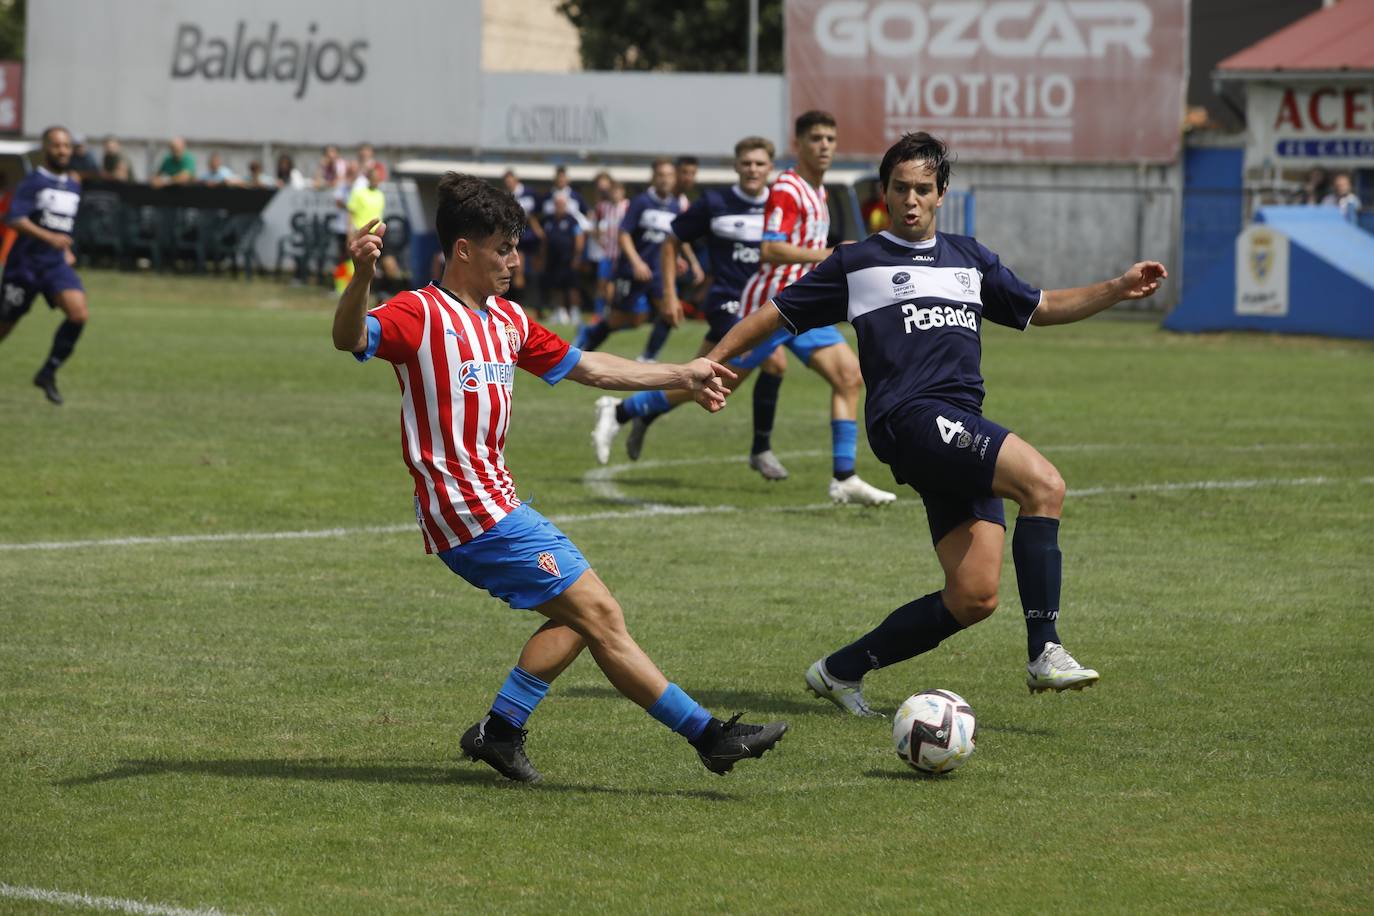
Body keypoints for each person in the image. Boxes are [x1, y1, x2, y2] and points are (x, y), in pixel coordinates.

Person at [332, 172, 787, 783]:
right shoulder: (419, 313)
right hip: (467, 508)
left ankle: (501, 730)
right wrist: (362, 277)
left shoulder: (508, 320)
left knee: (581, 615)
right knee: (599, 612)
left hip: (497, 502)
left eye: (516, 248)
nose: (514, 260)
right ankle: (709, 737)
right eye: (503, 249)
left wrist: (682, 373)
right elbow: (351, 336)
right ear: (464, 250)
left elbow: (592, 367)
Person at [708, 131, 1168, 714]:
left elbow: (1042, 307)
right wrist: (708, 364)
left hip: (956, 427)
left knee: (974, 595)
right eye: (900, 188)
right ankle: (1045, 650)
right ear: (884, 192)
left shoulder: (969, 258)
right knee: (1044, 484)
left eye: (923, 189)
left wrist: (1118, 288)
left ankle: (840, 671)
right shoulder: (856, 262)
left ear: (941, 193)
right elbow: (772, 315)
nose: (910, 200)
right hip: (911, 419)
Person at [723, 111, 898, 504]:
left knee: (849, 376)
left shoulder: (818, 190)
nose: (824, 146)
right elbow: (769, 250)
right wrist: (830, 253)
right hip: (772, 305)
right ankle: (625, 411)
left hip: (804, 306)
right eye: (816, 138)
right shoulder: (787, 188)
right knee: (715, 384)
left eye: (830, 139)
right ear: (797, 144)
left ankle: (844, 477)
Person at [590, 135, 786, 464]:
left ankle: (629, 411)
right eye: (746, 162)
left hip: (766, 305)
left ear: (771, 168)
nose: (753, 169)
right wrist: (670, 294)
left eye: (760, 163)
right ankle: (764, 451)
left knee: (701, 381)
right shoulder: (714, 202)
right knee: (775, 363)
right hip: (729, 303)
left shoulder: (779, 206)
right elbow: (673, 240)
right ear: (736, 166)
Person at [0, 127, 89, 406]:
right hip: (24, 266)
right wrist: (49, 237)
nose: (62, 150)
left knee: (78, 314)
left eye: (66, 145)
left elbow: (63, 226)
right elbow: (13, 219)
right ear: (45, 148)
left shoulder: (74, 185)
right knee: (4, 326)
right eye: (56, 145)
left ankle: (47, 372)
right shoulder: (33, 182)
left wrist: (66, 250)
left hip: (54, 266)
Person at [573, 158, 679, 353]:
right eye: (661, 175)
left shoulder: (675, 206)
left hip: (658, 272)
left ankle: (647, 359)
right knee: (622, 319)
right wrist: (636, 262)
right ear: (653, 178)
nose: (665, 180)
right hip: (632, 270)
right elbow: (624, 234)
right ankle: (585, 346)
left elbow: (673, 239)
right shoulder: (641, 202)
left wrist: (680, 259)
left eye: (670, 175)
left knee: (670, 313)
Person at [638, 156, 706, 363]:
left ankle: (648, 357)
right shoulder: (652, 199)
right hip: (643, 264)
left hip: (662, 268)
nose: (688, 178)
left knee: (671, 313)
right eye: (684, 173)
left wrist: (690, 261)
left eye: (692, 174)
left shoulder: (682, 202)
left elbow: (677, 237)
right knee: (629, 318)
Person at [347, 162, 400, 292]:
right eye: (374, 178)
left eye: (378, 179)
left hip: (379, 234)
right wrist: (350, 233)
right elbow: (350, 213)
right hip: (363, 234)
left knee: (391, 267)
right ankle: (358, 293)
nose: (377, 181)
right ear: (369, 178)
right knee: (364, 268)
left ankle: (383, 294)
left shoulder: (380, 195)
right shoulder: (359, 193)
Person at [540, 193, 584, 324]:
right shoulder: (549, 220)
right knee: (556, 287)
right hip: (553, 259)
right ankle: (560, 312)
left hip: (568, 258)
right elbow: (545, 240)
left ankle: (574, 312)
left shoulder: (572, 220)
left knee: (572, 286)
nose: (559, 206)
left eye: (561, 204)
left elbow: (579, 239)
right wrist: (542, 257)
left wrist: (577, 257)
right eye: (557, 204)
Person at [503, 170, 544, 299]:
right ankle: (519, 301)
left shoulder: (530, 193)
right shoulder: (505, 196)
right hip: (516, 237)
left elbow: (539, 213)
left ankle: (535, 303)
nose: (509, 183)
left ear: (516, 179)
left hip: (531, 238)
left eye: (511, 180)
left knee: (534, 271)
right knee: (516, 271)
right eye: (507, 181)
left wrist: (537, 226)